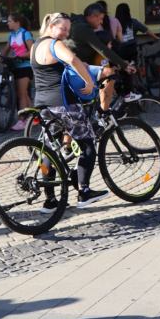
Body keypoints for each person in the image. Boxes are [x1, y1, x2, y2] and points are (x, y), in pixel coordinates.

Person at [32, 13, 110, 208]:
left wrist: (80, 66)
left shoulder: (35, 46)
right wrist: (90, 82)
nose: (65, 34)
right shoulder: (55, 44)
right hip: (63, 103)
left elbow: (54, 68)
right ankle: (84, 191)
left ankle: (49, 200)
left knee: (49, 150)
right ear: (51, 26)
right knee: (88, 143)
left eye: (68, 30)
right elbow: (73, 60)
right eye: (63, 29)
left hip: (43, 104)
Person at [67, 3, 135, 111]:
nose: (101, 22)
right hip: (74, 68)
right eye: (100, 19)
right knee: (110, 74)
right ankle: (104, 112)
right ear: (92, 16)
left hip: (75, 65)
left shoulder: (77, 23)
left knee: (107, 75)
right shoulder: (83, 28)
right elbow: (102, 49)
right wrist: (124, 65)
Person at [0, 12, 34, 130]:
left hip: (25, 66)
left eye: (9, 21)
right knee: (24, 93)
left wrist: (21, 56)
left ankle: (22, 120)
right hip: (15, 66)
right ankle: (34, 117)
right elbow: (6, 49)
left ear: (17, 23)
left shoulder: (25, 34)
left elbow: (32, 51)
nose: (8, 23)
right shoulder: (12, 35)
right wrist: (0, 58)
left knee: (20, 94)